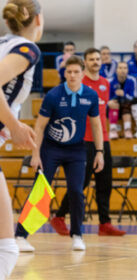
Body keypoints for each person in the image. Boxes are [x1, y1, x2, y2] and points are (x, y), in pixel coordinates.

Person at [15, 56, 105, 252]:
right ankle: (21, 236)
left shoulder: (90, 95)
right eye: (69, 72)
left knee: (76, 191)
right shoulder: (53, 96)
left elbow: (97, 125)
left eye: (76, 72)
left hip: (76, 150)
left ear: (83, 74)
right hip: (51, 149)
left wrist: (99, 152)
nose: (72, 75)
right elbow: (39, 127)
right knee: (40, 190)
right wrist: (35, 154)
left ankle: (77, 235)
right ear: (65, 73)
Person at [51, 48, 125, 237]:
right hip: (82, 140)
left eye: (98, 59)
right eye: (91, 59)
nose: (95, 62)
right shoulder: (78, 82)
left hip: (102, 139)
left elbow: (102, 113)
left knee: (105, 182)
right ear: (85, 62)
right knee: (81, 183)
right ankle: (59, 217)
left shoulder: (105, 84)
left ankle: (104, 223)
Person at [0, 0, 42, 280]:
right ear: (38, 20)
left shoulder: (4, 43)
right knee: (7, 247)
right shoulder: (27, 49)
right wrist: (14, 126)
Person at [108, 62, 137, 139]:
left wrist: (123, 94)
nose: (122, 70)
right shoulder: (110, 81)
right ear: (116, 70)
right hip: (114, 106)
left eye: (125, 68)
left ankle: (128, 130)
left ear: (128, 70)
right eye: (120, 68)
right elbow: (107, 97)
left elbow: (134, 96)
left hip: (127, 106)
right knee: (114, 104)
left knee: (130, 104)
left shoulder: (132, 80)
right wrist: (110, 101)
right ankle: (112, 130)